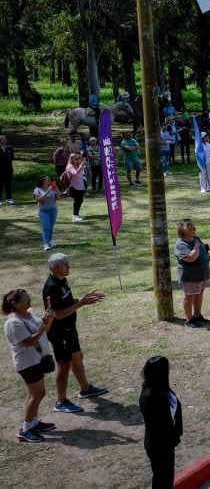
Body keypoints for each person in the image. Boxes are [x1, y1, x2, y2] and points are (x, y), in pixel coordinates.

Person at [42, 253, 108, 413]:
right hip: (59, 332)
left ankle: (85, 389)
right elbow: (57, 314)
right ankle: (61, 401)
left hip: (69, 329)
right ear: (54, 268)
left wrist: (82, 299)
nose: (69, 267)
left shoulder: (62, 280)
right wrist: (81, 303)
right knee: (64, 365)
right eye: (65, 265)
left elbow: (65, 301)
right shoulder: (52, 286)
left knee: (77, 357)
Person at [3, 288, 57, 442]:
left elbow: (44, 331)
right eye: (25, 299)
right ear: (14, 304)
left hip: (37, 359)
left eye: (28, 298)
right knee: (37, 394)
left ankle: (33, 422)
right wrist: (43, 325)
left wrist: (49, 320)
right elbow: (29, 342)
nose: (29, 301)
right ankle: (25, 430)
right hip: (27, 363)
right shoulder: (13, 322)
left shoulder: (30, 312)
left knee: (34, 393)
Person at [139, 355, 183, 488]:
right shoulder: (150, 397)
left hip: (166, 443)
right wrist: (173, 437)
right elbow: (159, 425)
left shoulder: (160, 388)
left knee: (166, 478)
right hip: (160, 445)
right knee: (162, 480)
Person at [173, 219, 210, 328]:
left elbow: (203, 249)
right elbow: (191, 258)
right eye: (191, 228)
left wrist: (209, 256)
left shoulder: (196, 239)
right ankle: (189, 320)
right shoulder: (180, 244)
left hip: (202, 273)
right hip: (190, 276)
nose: (195, 229)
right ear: (184, 231)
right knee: (189, 296)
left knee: (199, 293)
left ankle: (197, 315)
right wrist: (195, 245)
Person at [33, 175, 61, 251]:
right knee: (46, 228)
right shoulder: (37, 189)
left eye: (49, 179)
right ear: (42, 181)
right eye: (47, 179)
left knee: (51, 226)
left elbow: (58, 198)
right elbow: (39, 200)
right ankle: (46, 244)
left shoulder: (53, 188)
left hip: (53, 210)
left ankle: (50, 241)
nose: (49, 180)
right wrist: (48, 191)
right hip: (43, 211)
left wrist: (57, 190)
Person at [63, 153, 88, 222]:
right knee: (77, 201)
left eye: (78, 158)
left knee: (80, 200)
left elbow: (82, 172)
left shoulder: (77, 165)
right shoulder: (70, 167)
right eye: (76, 159)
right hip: (73, 186)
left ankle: (76, 214)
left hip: (80, 186)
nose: (78, 160)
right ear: (71, 159)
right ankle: (75, 216)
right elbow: (75, 174)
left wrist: (82, 163)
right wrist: (81, 165)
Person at [0, 133, 14, 204]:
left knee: (8, 184)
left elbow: (12, 158)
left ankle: (9, 198)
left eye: (5, 139)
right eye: (3, 139)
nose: (5, 140)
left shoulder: (10, 148)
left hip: (8, 169)